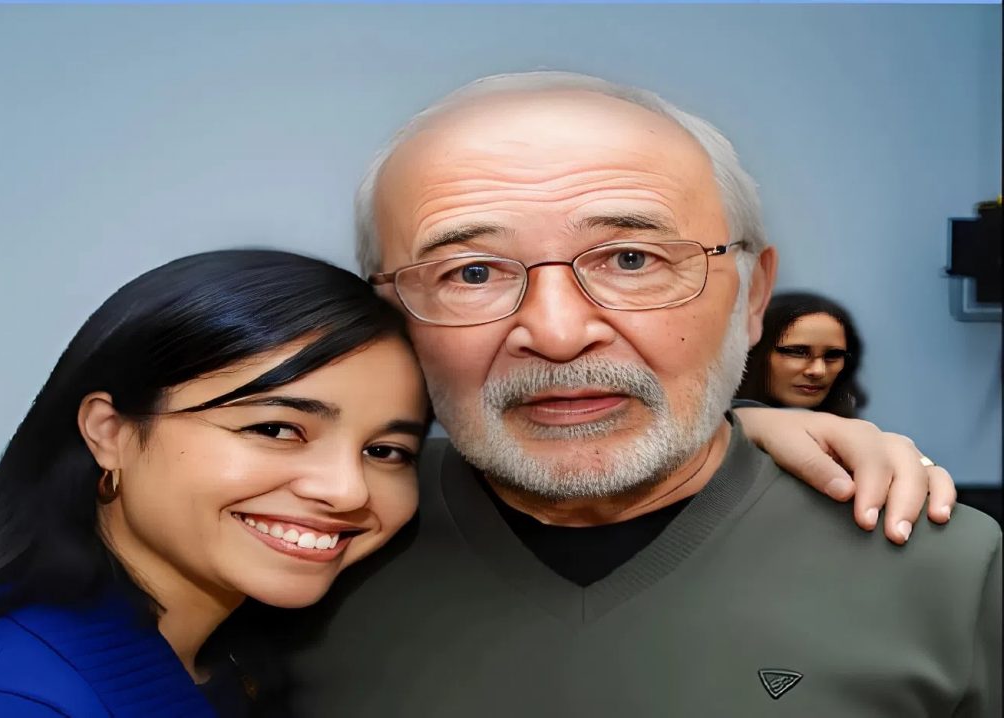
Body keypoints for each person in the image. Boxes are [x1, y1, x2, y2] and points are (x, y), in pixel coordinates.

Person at [246, 72, 1000, 717]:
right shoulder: (304, 543)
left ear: (751, 297)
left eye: (632, 259)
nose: (557, 333)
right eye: (472, 273)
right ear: (390, 315)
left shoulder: (953, 573)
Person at [0, 250, 430, 716]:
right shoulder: (16, 695)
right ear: (109, 432)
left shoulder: (241, 661)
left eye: (385, 452)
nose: (348, 491)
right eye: (275, 429)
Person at [737, 291, 867, 417]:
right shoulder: (727, 427)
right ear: (754, 353)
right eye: (798, 352)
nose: (818, 371)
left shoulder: (858, 430)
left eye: (833, 356)